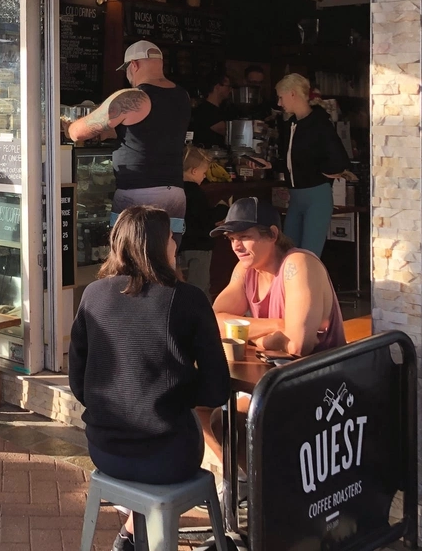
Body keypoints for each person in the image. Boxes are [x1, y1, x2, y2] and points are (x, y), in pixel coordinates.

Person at [69, 206, 229, 551]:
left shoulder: (93, 295)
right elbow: (218, 389)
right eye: (172, 239)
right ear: (160, 245)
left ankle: (130, 535)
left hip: (104, 449)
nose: (176, 246)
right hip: (169, 456)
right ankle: (138, 537)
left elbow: (78, 382)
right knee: (177, 429)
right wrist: (174, 390)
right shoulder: (188, 299)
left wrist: (138, 395)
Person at [198, 197, 347, 472]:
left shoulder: (298, 264)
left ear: (273, 235)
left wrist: (251, 331)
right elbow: (211, 320)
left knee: (226, 420)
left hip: (321, 384)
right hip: (273, 378)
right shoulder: (245, 269)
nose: (236, 246)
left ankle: (267, 494)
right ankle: (242, 479)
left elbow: (299, 344)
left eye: (245, 236)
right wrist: (278, 325)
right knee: (196, 402)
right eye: (231, 238)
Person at [67, 40, 191, 247]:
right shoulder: (182, 95)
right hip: (175, 193)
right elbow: (152, 129)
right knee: (167, 257)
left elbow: (78, 133)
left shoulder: (133, 97)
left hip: (139, 193)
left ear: (133, 65)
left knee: (130, 259)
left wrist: (68, 126)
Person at [274, 73, 352, 256]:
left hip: (316, 195)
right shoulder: (290, 124)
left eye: (280, 97)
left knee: (308, 255)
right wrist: (271, 166)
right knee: (288, 254)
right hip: (295, 197)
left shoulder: (319, 122)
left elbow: (339, 160)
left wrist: (326, 173)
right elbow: (290, 159)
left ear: (292, 94)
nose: (279, 103)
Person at [178, 146, 226, 296]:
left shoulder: (175, 190)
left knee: (181, 285)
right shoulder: (195, 192)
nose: (205, 177)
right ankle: (202, 316)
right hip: (200, 246)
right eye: (203, 173)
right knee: (200, 287)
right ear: (194, 171)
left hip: (180, 245)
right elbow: (205, 217)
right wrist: (222, 209)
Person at [190, 70, 231, 148]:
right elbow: (229, 132)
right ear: (217, 87)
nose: (230, 90)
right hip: (208, 157)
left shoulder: (219, 109)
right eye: (228, 86)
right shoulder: (206, 110)